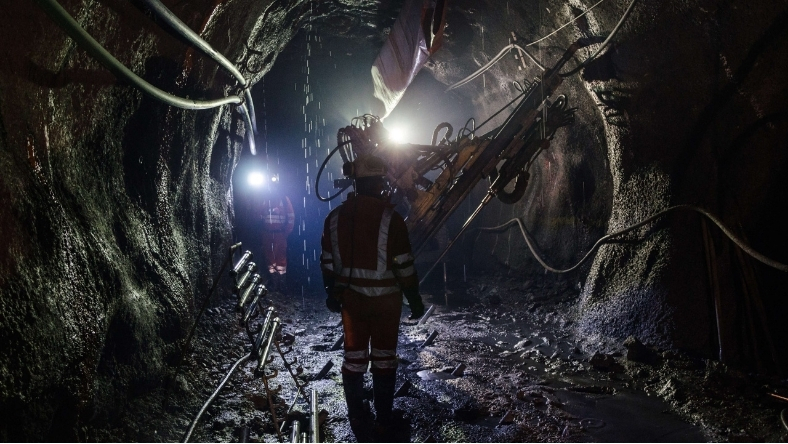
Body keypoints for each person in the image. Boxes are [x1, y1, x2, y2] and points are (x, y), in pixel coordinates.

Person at [320, 154, 425, 440]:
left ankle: (357, 414)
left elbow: (327, 263)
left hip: (351, 303)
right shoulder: (392, 220)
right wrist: (414, 300)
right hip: (385, 304)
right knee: (384, 360)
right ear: (380, 183)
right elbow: (404, 265)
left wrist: (331, 292)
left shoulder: (335, 218)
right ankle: (384, 418)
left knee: (354, 359)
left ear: (355, 181)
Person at [257, 174, 294, 293]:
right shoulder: (264, 200)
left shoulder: (284, 200)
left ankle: (281, 284)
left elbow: (291, 217)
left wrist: (286, 232)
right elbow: (258, 216)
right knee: (269, 258)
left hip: (280, 234)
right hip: (267, 234)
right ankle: (274, 283)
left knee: (281, 259)